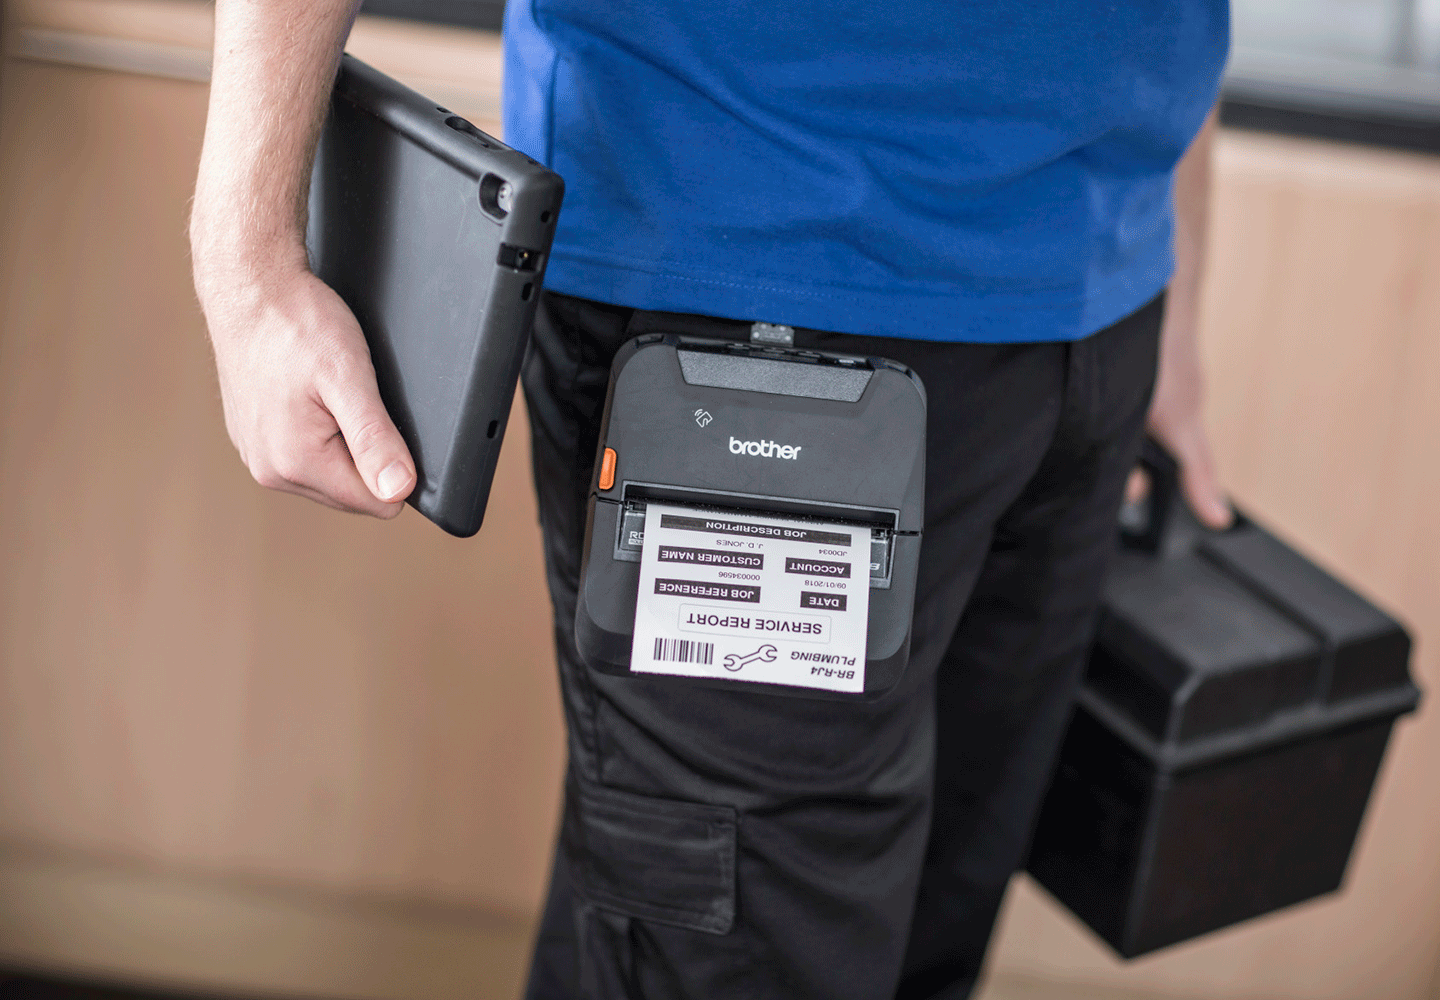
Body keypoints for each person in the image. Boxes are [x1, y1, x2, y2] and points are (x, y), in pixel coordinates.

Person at [189, 2, 1232, 997]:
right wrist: (245, 255)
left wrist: (1173, 270)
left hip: (1096, 291)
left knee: (916, 917)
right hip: (744, 304)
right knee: (734, 950)